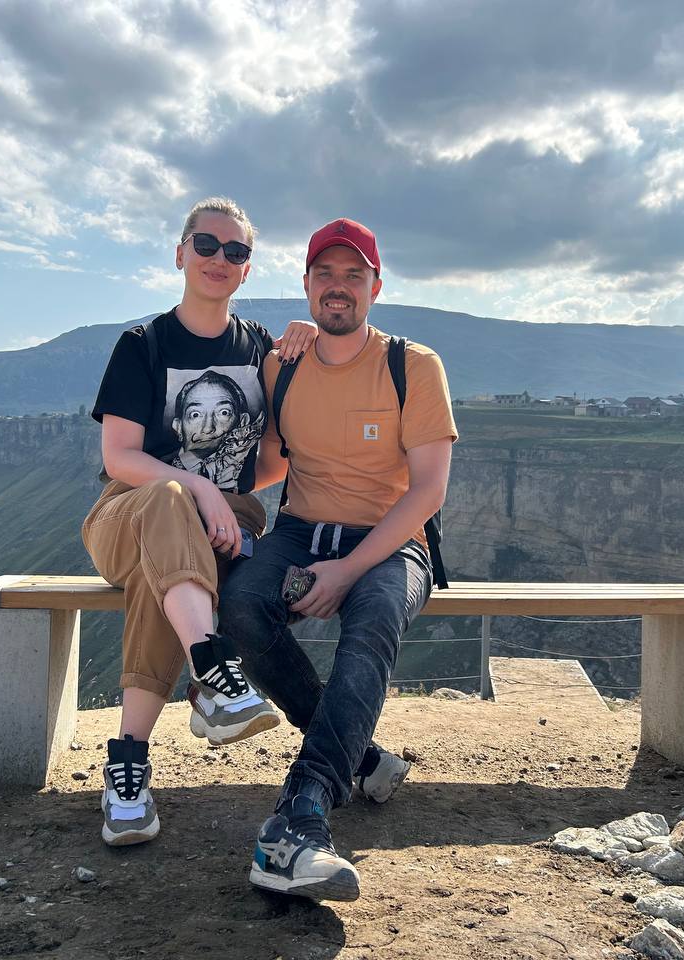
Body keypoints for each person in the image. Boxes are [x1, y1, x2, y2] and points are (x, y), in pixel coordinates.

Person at [219, 218, 456, 901]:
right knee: (240, 604)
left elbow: (428, 492)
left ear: (376, 287)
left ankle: (303, 812)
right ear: (306, 285)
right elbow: (267, 464)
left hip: (390, 542)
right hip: (299, 532)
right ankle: (363, 756)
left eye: (354, 275)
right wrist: (185, 490)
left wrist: (349, 571)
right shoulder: (282, 364)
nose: (338, 287)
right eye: (325, 274)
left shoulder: (414, 366)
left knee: (374, 616)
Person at [82, 196, 317, 847]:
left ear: (248, 268)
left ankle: (128, 771)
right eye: (207, 245)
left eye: (235, 251)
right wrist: (199, 488)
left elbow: (272, 461)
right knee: (166, 502)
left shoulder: (261, 349)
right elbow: (120, 457)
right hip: (127, 514)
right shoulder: (143, 345)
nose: (220, 259)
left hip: (216, 532)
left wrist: (309, 341)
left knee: (161, 583)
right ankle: (214, 675)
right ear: (181, 253)